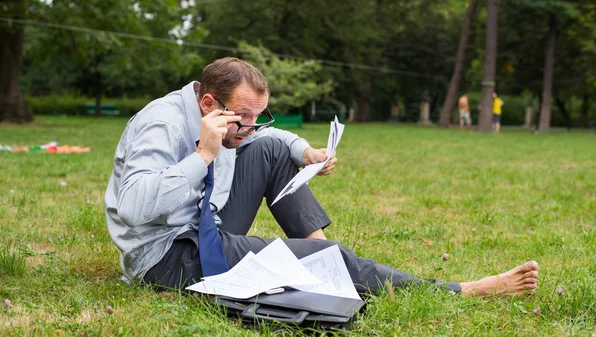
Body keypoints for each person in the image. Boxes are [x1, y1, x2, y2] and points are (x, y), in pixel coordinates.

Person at [105, 57, 538, 297]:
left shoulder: (232, 121)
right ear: (209, 105)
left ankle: (321, 258)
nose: (251, 128)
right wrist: (202, 154)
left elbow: (270, 137)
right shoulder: (160, 124)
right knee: (318, 260)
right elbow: (132, 207)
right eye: (244, 119)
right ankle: (460, 290)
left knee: (273, 149)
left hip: (206, 223)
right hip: (166, 254)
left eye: (259, 116)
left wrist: (304, 151)